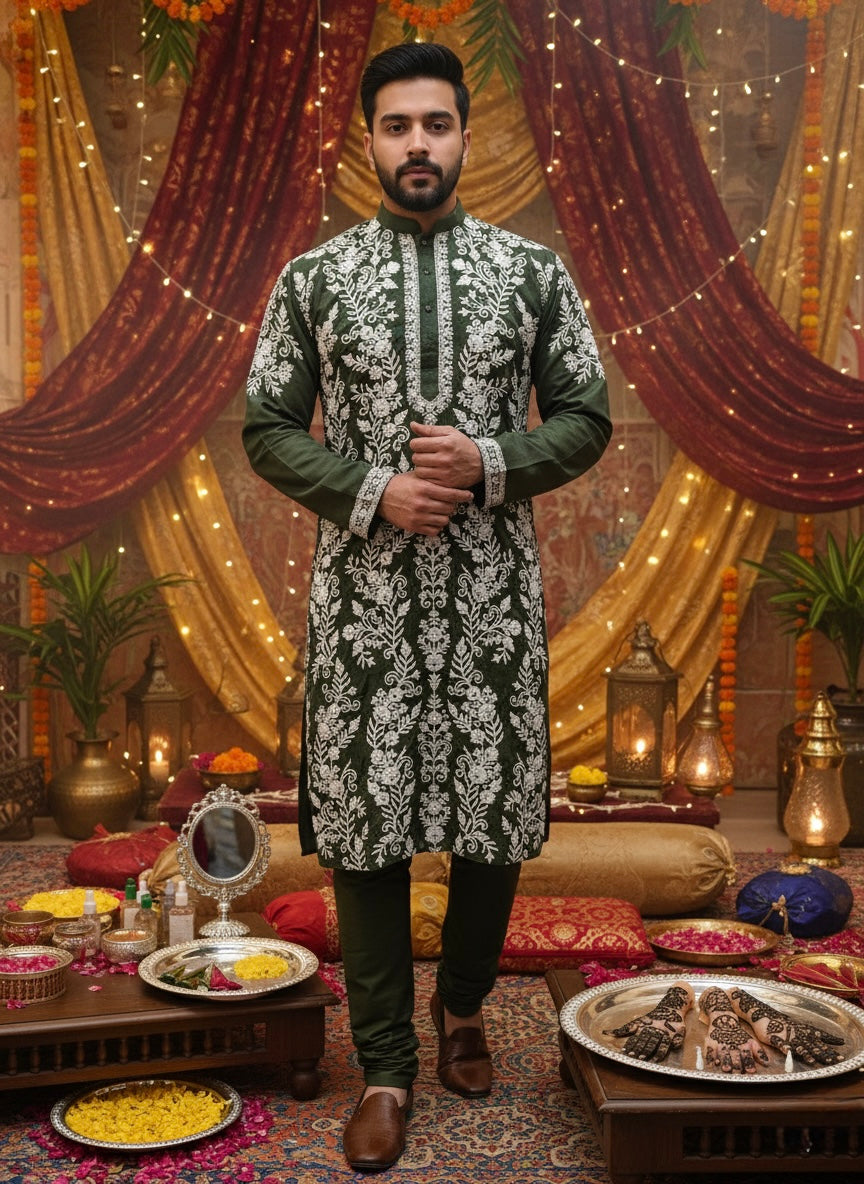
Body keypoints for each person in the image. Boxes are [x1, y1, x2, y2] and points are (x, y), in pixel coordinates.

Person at [244, 42, 611, 1173]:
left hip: (493, 601)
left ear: (464, 134)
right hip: (364, 606)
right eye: (397, 126)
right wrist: (372, 489)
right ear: (368, 140)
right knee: (366, 829)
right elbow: (267, 426)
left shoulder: (532, 271)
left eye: (436, 125)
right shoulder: (313, 277)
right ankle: (388, 1067)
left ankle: (462, 1009)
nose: (418, 145)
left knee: (492, 820)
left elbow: (587, 413)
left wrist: (492, 460)